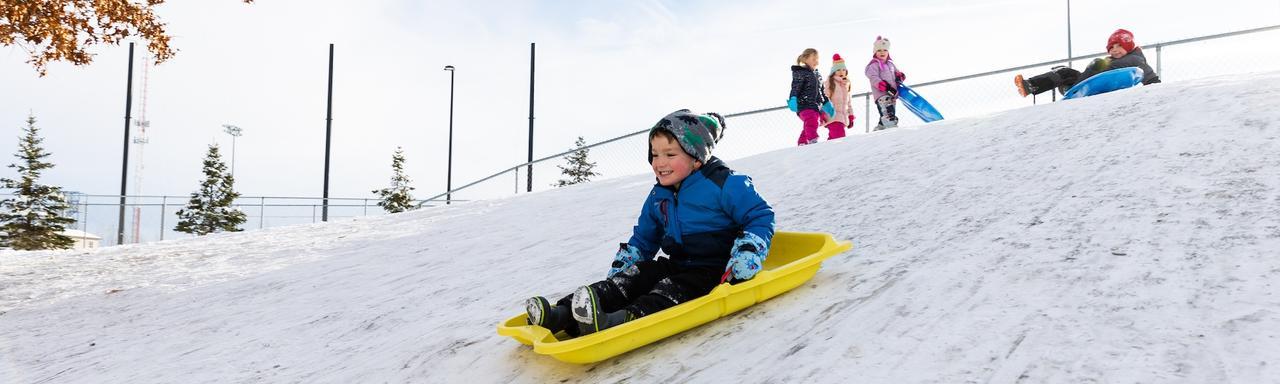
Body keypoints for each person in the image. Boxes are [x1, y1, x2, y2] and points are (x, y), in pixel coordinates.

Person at [523, 109, 776, 337]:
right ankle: (562, 314)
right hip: (677, 263)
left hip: (715, 270)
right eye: (655, 155)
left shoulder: (724, 184)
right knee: (637, 276)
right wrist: (628, 262)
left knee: (670, 289)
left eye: (670, 154)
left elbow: (760, 215)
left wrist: (748, 250)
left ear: (697, 157)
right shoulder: (659, 195)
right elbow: (644, 239)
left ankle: (620, 321)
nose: (659, 163)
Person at [1015, 28, 1162, 97]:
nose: (1115, 50)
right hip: (1089, 81)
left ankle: (1067, 87)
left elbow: (1147, 73)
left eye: (1119, 46)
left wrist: (1155, 84)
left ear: (1128, 47)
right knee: (1064, 72)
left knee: (1074, 70)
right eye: (1112, 48)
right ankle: (1028, 85)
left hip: (1094, 81)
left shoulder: (1135, 59)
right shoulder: (1111, 60)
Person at [789, 48, 831, 145]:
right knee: (812, 120)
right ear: (805, 59)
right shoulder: (801, 73)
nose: (816, 62)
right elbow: (795, 87)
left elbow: (821, 91)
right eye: (814, 59)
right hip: (803, 104)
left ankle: (802, 142)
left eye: (817, 59)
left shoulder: (817, 75)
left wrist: (826, 103)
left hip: (815, 106)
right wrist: (793, 98)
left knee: (812, 123)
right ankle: (813, 140)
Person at [865, 36, 905, 130]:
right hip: (882, 95)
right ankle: (892, 129)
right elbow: (873, 77)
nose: (882, 52)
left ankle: (879, 129)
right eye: (879, 50)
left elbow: (896, 73)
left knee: (887, 113)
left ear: (888, 52)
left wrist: (900, 76)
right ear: (875, 52)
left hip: (892, 94)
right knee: (888, 114)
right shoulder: (873, 65)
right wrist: (882, 85)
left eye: (885, 50)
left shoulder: (891, 64)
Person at [824, 53, 855, 139]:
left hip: (842, 118)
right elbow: (824, 99)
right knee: (840, 140)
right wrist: (823, 113)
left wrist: (851, 116)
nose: (841, 72)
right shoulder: (830, 83)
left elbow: (848, 104)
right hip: (832, 117)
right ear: (833, 72)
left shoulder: (846, 85)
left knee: (833, 141)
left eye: (843, 69)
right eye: (838, 70)